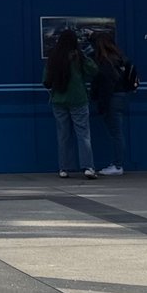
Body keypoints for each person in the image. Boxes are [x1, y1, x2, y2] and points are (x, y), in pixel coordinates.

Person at [43, 28, 98, 180]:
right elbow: (93, 70)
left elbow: (45, 80)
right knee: (83, 135)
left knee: (63, 135)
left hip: (59, 100)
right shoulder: (78, 56)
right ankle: (88, 167)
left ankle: (64, 168)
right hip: (78, 99)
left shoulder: (53, 58)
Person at [89, 31, 138, 176]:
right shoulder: (121, 58)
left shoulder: (104, 61)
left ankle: (118, 165)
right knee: (117, 132)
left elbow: (105, 85)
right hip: (121, 96)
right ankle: (117, 164)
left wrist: (100, 103)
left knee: (116, 132)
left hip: (111, 98)